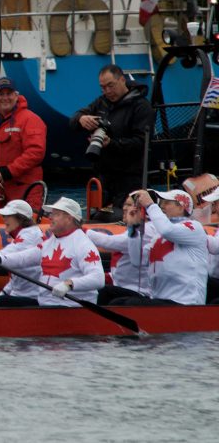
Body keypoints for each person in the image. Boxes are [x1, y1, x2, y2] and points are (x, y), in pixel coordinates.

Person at [0, 196, 104, 306]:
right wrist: (0, 259)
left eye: (56, 214)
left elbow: (98, 278)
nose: (50, 218)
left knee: (0, 303)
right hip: (46, 306)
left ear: (69, 218)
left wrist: (69, 284)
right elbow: (23, 258)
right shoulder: (49, 243)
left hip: (70, 307)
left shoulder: (83, 245)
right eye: (51, 214)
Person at [70, 64, 155, 215]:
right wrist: (81, 119)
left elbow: (141, 143)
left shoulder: (141, 107)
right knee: (99, 216)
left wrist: (111, 144)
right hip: (104, 177)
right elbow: (73, 121)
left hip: (130, 177)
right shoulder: (101, 102)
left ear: (122, 80)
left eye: (111, 86)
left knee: (125, 216)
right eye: (103, 87)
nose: (107, 91)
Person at [116, 189, 207, 305]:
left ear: (181, 207)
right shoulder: (158, 235)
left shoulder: (193, 227)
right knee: (116, 301)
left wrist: (150, 205)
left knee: (132, 304)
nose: (161, 206)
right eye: (160, 203)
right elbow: (137, 260)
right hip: (160, 299)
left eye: (166, 203)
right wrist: (133, 229)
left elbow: (167, 230)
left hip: (185, 302)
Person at [0, 77, 47, 211]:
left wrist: (8, 172)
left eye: (9, 94)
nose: (5, 98)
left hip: (25, 188)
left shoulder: (31, 120)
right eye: (1, 94)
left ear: (16, 96)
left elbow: (35, 153)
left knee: (25, 226)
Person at [87, 195, 153, 305]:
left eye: (129, 205)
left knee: (102, 293)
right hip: (122, 286)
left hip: (138, 292)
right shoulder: (133, 230)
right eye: (125, 204)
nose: (124, 208)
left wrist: (80, 230)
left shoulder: (147, 230)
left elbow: (108, 242)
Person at [0, 199, 45, 307]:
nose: (4, 219)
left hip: (31, 298)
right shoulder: (28, 233)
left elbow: (0, 258)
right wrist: (4, 293)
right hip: (22, 294)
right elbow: (14, 278)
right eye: (4, 216)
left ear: (20, 218)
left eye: (8, 216)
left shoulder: (29, 237)